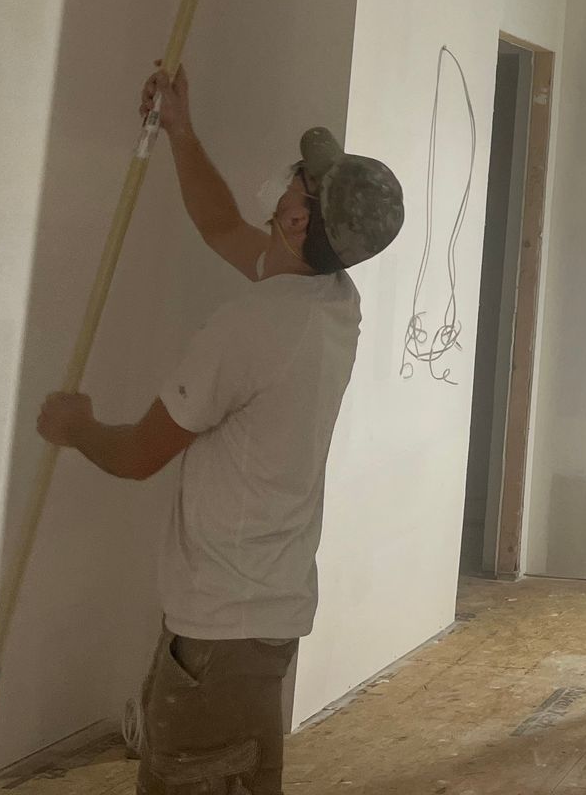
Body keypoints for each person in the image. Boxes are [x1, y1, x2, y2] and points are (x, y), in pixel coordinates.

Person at [35, 64, 404, 795]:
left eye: (303, 179)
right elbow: (220, 225)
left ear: (298, 221)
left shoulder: (249, 329)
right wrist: (180, 131)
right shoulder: (331, 299)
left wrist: (75, 427)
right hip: (258, 622)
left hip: (219, 637)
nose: (294, 176)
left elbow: (140, 455)